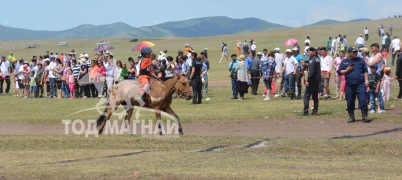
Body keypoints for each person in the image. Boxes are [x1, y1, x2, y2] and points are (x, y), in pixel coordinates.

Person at [337, 47, 370, 123]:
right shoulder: (344, 61)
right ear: (349, 53)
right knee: (350, 101)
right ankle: (351, 117)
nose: (356, 53)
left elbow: (365, 71)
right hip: (350, 85)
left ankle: (365, 116)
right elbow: (339, 72)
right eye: (354, 52)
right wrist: (347, 70)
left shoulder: (360, 60)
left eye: (356, 52)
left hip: (360, 84)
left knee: (363, 100)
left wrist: (366, 80)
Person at [303, 47, 321, 115]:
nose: (308, 53)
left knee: (306, 96)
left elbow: (311, 72)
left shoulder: (311, 60)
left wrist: (308, 81)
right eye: (307, 52)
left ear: (313, 52)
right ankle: (315, 111)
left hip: (312, 81)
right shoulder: (317, 59)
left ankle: (305, 111)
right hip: (317, 81)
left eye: (309, 52)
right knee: (315, 96)